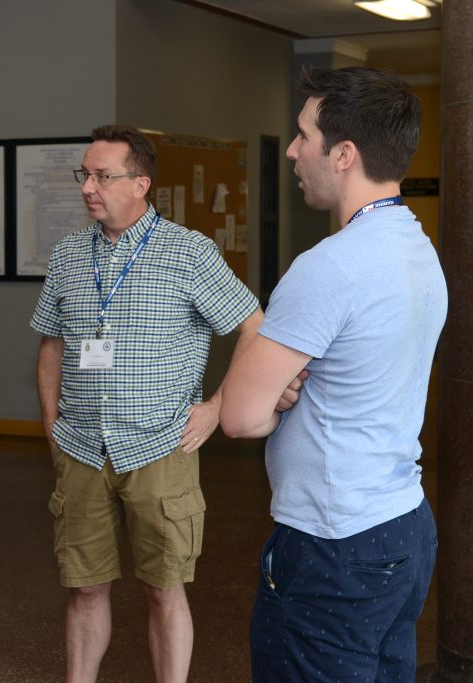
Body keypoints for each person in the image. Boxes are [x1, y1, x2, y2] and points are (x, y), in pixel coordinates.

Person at [219, 66, 445, 682]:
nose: (293, 151)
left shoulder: (329, 267)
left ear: (343, 155)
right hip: (403, 526)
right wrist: (292, 383)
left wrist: (279, 390)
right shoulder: (418, 248)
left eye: (303, 135)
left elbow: (239, 417)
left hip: (333, 542)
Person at [31, 124, 263, 683]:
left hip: (160, 447)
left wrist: (216, 407)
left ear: (141, 184)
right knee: (85, 588)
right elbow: (52, 343)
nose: (87, 187)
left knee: (164, 589)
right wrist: (52, 423)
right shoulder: (68, 254)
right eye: (84, 174)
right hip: (82, 448)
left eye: (102, 176)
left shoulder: (189, 252)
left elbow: (254, 327)